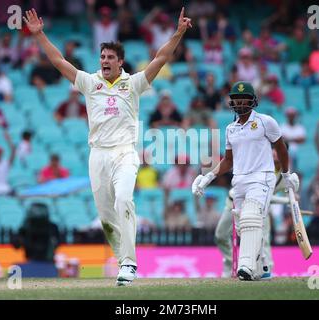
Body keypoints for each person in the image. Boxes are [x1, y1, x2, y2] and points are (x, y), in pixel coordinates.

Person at [23, 7, 192, 286]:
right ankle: (122, 262)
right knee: (105, 218)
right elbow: (58, 61)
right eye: (102, 56)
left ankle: (129, 263)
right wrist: (39, 35)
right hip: (98, 154)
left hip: (125, 152)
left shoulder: (134, 83)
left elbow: (161, 58)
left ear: (120, 62)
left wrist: (178, 33)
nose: (104, 60)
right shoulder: (90, 83)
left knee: (124, 198)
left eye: (110, 57)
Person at [192, 81, 299, 281]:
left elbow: (281, 148)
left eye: (245, 99)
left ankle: (245, 267)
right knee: (244, 226)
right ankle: (261, 267)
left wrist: (285, 174)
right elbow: (229, 160)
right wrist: (208, 177)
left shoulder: (266, 121)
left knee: (251, 218)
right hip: (239, 180)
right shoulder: (231, 129)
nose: (240, 102)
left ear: (253, 101)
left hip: (262, 177)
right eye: (236, 99)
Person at [214, 148, 298, 278]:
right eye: (272, 150)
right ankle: (232, 261)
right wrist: (284, 200)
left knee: (263, 238)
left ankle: (266, 269)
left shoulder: (284, 176)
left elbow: (273, 195)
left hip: (259, 208)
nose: (274, 153)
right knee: (220, 235)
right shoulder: (259, 164)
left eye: (278, 151)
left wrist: (292, 197)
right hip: (235, 203)